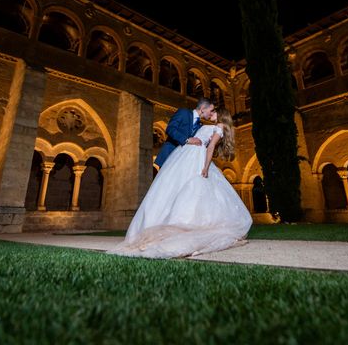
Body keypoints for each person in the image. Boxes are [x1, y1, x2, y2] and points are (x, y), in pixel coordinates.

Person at [107, 108, 252, 259]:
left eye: (214, 111)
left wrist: (206, 167)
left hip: (195, 157)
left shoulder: (219, 127)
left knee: (195, 190)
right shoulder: (210, 125)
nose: (212, 113)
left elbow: (210, 147)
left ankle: (187, 224)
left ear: (221, 115)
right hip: (187, 155)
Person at [154, 97, 215, 168]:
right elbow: (170, 129)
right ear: (203, 109)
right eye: (211, 111)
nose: (212, 113)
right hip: (169, 156)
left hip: (182, 161)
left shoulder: (200, 125)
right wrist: (187, 140)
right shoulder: (183, 112)